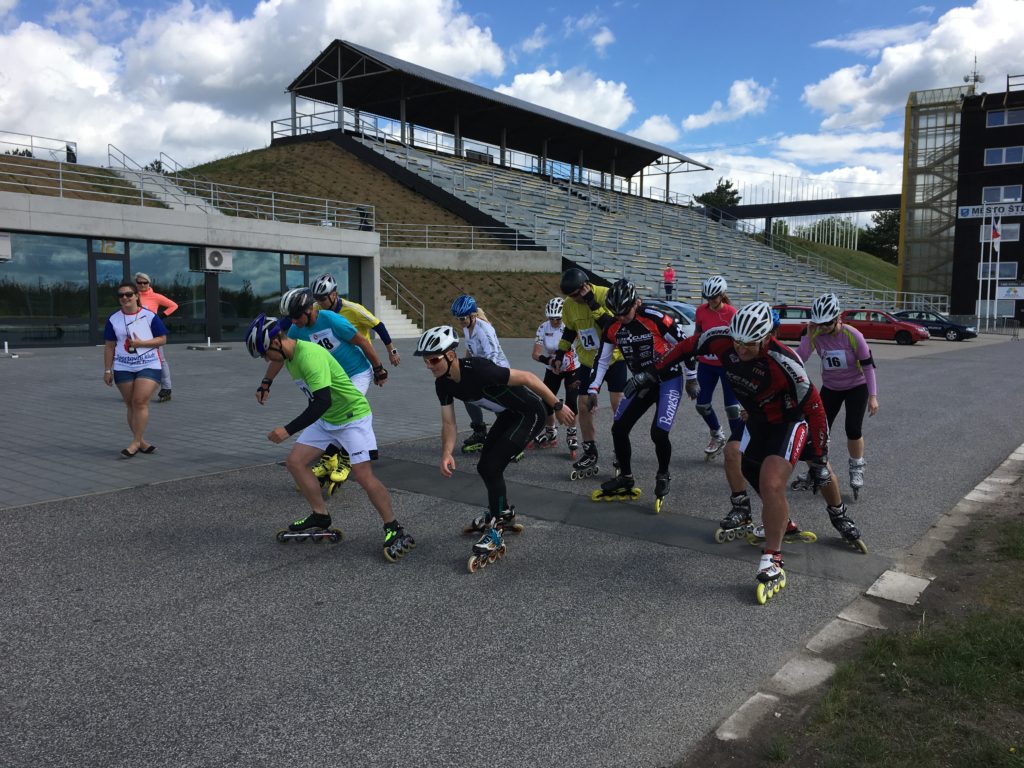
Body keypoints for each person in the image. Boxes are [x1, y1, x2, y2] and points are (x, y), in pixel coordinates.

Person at [638, 301, 867, 604]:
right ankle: (767, 517)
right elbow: (686, 346)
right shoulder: (723, 338)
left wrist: (821, 453)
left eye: (749, 344)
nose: (740, 349)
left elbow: (815, 408)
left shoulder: (786, 362)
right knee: (734, 454)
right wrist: (652, 372)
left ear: (767, 338)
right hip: (757, 418)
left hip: (790, 421)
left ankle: (807, 536)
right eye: (737, 342)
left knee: (801, 475)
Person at [246, 313, 415, 561]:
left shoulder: (309, 357)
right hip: (328, 419)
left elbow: (321, 402)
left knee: (363, 475)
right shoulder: (288, 352)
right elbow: (277, 364)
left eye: (265, 353)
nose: (266, 359)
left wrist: (288, 429)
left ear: (276, 342)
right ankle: (320, 516)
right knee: (295, 462)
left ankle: (394, 527)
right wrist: (265, 384)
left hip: (352, 417)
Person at [415, 325, 575, 572]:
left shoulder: (479, 369)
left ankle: (497, 527)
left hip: (530, 413)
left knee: (492, 467)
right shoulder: (443, 384)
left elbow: (528, 378)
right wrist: (446, 452)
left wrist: (557, 405)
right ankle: (503, 513)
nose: (429, 366)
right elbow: (449, 423)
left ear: (450, 355)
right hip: (509, 415)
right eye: (426, 361)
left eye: (433, 359)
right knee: (484, 466)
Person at [256, 288, 388, 490]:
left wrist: (378, 368)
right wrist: (266, 382)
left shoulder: (332, 320)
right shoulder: (296, 330)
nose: (293, 321)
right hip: (332, 377)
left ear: (310, 309)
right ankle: (331, 456)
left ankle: (344, 458)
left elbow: (362, 341)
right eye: (290, 318)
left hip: (357, 372)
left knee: (345, 409)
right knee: (327, 410)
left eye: (296, 316)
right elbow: (280, 355)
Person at [587, 279, 699, 511]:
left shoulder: (655, 318)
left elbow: (685, 345)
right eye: (616, 313)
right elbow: (602, 360)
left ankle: (663, 474)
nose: (621, 318)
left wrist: (691, 377)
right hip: (641, 382)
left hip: (668, 380)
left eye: (625, 312)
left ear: (635, 303)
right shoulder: (613, 327)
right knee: (619, 428)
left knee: (658, 432)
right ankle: (626, 477)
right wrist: (593, 388)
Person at [794, 293, 879, 499]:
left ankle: (857, 467)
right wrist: (808, 336)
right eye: (819, 324)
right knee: (818, 430)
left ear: (837, 318)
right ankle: (817, 468)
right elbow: (800, 358)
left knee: (853, 428)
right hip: (831, 387)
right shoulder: (816, 334)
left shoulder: (853, 335)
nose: (823, 328)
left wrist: (873, 396)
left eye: (827, 323)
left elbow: (868, 366)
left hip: (856, 386)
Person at [553, 268, 628, 480]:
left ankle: (621, 450)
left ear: (585, 286)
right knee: (583, 404)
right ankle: (590, 451)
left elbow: (612, 328)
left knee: (618, 404)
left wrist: (592, 303)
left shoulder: (605, 295)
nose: (574, 299)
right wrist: (560, 353)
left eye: (577, 294)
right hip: (588, 361)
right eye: (570, 296)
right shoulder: (569, 304)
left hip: (613, 359)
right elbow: (569, 330)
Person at [102, 280, 167, 457]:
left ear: (137, 296)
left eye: (129, 294)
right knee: (130, 404)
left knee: (139, 401)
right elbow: (109, 346)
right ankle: (142, 442)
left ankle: (135, 442)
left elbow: (162, 339)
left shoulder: (149, 316)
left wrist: (141, 343)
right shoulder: (114, 319)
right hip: (123, 365)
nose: (125, 298)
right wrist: (107, 370)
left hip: (148, 363)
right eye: (121, 295)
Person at [450, 294, 510, 454]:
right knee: (466, 394)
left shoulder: (484, 330)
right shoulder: (467, 327)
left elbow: (493, 356)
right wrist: (462, 367)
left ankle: (508, 436)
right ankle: (480, 431)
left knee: (498, 404)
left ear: (473, 315)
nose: (460, 322)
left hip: (497, 370)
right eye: (458, 319)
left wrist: (485, 378)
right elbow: (470, 349)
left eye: (462, 318)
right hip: (481, 368)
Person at [309, 273, 401, 367]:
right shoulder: (316, 308)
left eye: (322, 299)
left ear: (334, 295)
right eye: (316, 299)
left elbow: (379, 327)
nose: (319, 302)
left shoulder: (354, 309)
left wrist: (392, 352)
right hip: (339, 359)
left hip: (360, 359)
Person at [531, 297, 580, 452]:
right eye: (551, 318)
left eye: (558, 319)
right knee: (546, 400)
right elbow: (535, 354)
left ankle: (572, 433)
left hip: (572, 367)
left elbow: (582, 343)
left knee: (571, 401)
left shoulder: (569, 325)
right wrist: (549, 361)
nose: (554, 321)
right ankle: (550, 431)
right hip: (552, 368)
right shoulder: (543, 327)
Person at [134, 272, 178, 402]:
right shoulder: (133, 296)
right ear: (136, 284)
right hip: (136, 333)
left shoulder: (156, 297)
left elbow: (174, 305)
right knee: (136, 360)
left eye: (145, 282)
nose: (142, 285)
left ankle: (166, 388)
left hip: (153, 333)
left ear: (149, 283)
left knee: (160, 360)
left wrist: (160, 317)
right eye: (139, 283)